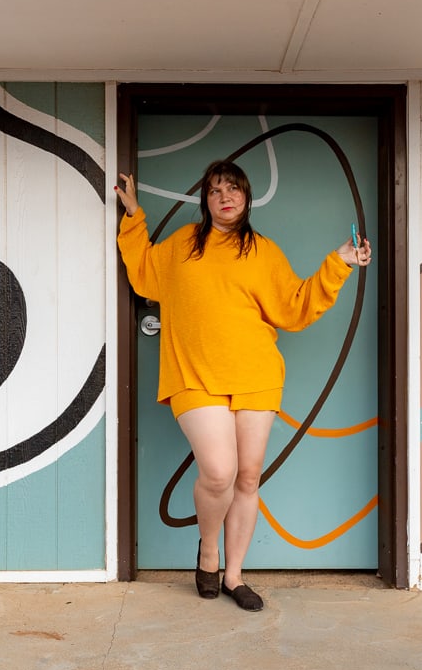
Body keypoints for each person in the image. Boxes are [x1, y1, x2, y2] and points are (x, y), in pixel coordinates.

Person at [114, 160, 371, 612]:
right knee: (218, 472)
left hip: (256, 376)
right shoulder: (182, 247)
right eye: (214, 190)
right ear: (205, 201)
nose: (224, 197)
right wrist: (134, 215)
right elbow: (143, 273)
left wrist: (339, 263)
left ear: (246, 197)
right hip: (195, 377)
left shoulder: (263, 252)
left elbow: (294, 307)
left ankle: (234, 576)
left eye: (232, 189)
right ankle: (208, 554)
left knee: (248, 477)